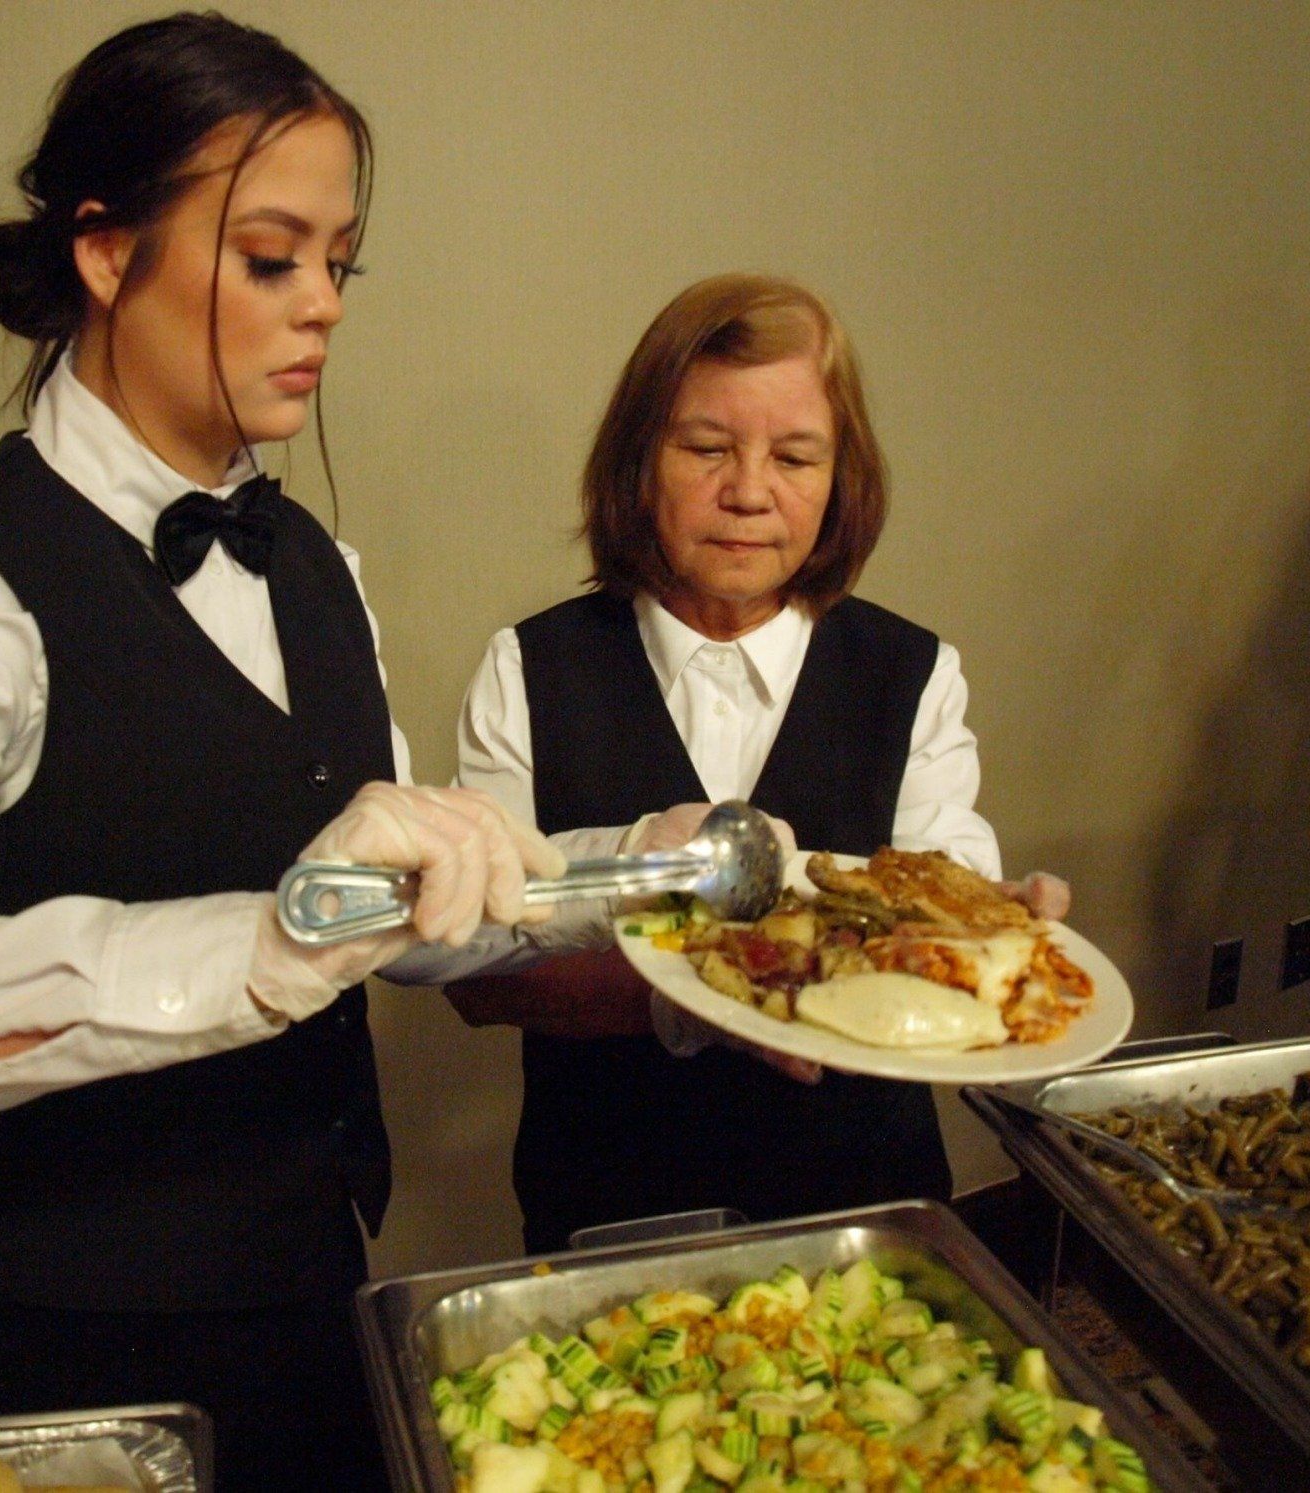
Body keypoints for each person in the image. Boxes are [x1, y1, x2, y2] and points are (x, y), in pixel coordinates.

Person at [0, 15, 692, 1488]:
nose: (322, 307)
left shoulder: (316, 570)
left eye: (337, 263)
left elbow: (387, 919)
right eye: (270, 257)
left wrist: (635, 870)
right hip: (40, 1357)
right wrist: (258, 943)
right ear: (106, 251)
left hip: (302, 1305)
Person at [447, 273, 1070, 1254]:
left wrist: (1001, 945)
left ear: (840, 480)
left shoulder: (913, 673)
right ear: (637, 462)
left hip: (867, 1208)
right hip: (609, 1208)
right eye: (705, 448)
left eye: (794, 455)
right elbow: (479, 976)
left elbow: (948, 932)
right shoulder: (529, 668)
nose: (747, 491)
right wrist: (689, 1004)